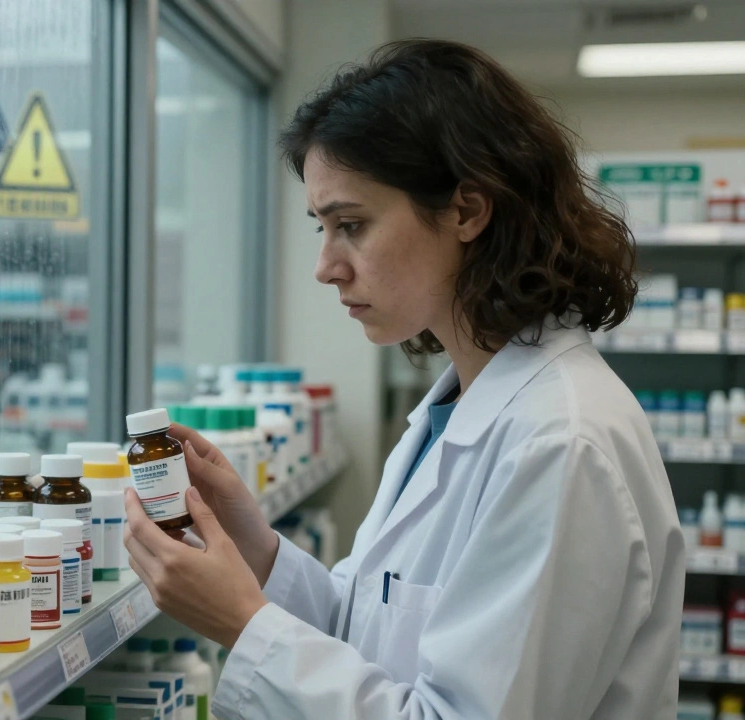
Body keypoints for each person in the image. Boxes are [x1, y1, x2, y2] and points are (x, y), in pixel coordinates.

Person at [123, 39, 683, 719]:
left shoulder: (560, 445)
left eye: (352, 225)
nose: (325, 267)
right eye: (322, 228)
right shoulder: (458, 406)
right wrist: (255, 549)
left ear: (467, 211)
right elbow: (371, 630)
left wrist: (243, 626)